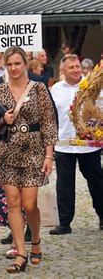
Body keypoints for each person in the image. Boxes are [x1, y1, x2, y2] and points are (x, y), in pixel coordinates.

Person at [0, 46, 58, 273]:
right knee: (13, 203)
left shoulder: (38, 88)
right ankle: (20, 253)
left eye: (17, 63)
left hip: (33, 151)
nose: (13, 68)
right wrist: (1, 120)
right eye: (9, 64)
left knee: (29, 204)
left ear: (25, 64)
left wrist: (49, 155)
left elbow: (48, 122)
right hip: (7, 152)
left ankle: (35, 239)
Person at [49, 54, 103, 234]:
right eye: (71, 67)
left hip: (89, 145)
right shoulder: (56, 89)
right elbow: (50, 117)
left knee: (96, 182)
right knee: (64, 184)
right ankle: (64, 222)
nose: (75, 70)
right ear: (63, 70)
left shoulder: (92, 86)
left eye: (77, 66)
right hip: (64, 143)